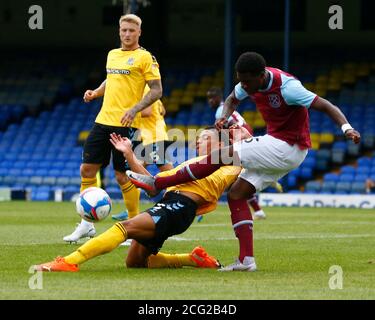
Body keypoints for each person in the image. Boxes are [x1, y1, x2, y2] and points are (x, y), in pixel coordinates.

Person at [127, 51, 361, 271]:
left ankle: (157, 183)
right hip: (280, 146)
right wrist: (224, 116)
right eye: (241, 81)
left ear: (261, 75)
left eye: (248, 82)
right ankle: (246, 260)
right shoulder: (248, 81)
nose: (244, 86)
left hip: (288, 146)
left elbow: (327, 106)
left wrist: (347, 128)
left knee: (220, 155)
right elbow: (231, 99)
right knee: (237, 193)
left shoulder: (289, 88)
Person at [35, 128, 248, 272]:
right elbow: (153, 185)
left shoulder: (228, 162)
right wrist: (129, 154)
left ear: (220, 143)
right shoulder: (191, 164)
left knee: (125, 227)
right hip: (169, 205)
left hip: (180, 207)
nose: (198, 141)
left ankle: (68, 262)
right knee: (135, 263)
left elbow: (241, 151)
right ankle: (192, 258)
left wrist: (239, 137)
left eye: (204, 138)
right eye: (198, 138)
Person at [63, 14, 162, 243]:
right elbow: (112, 79)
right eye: (123, 30)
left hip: (127, 125)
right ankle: (86, 225)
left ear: (139, 32)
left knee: (123, 176)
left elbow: (157, 90)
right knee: (87, 170)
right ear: (119, 31)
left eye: (131, 31)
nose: (127, 34)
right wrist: (96, 92)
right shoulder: (112, 55)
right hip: (103, 121)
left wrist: (135, 109)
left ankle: (134, 226)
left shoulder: (146, 58)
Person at [207, 86, 283, 220]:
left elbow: (222, 132)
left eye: (212, 98)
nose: (209, 101)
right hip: (244, 133)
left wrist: (222, 151)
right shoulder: (223, 109)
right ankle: (259, 210)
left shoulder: (220, 111)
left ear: (219, 98)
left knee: (237, 176)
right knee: (241, 177)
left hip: (239, 135)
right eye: (208, 98)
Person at [111, 86, 173, 222]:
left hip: (154, 138)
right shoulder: (150, 90)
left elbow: (146, 111)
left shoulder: (143, 89)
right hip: (152, 137)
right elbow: (162, 111)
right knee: (136, 173)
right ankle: (132, 209)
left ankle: (186, 204)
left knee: (169, 178)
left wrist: (126, 112)